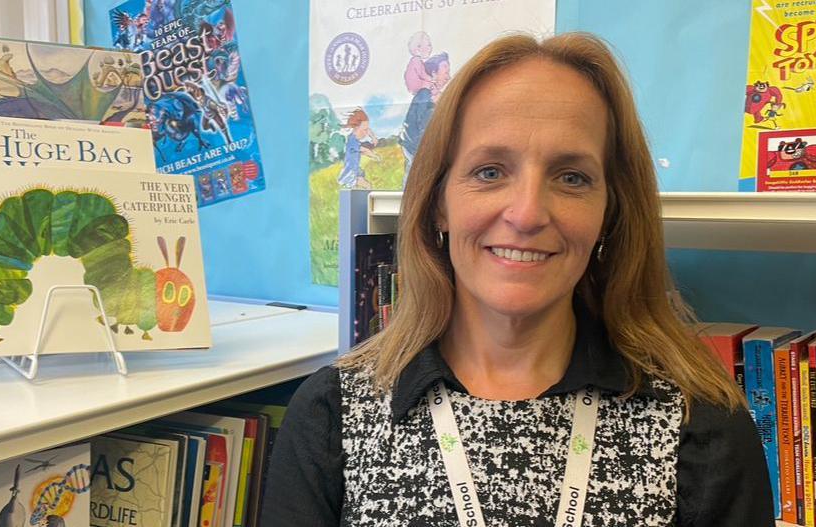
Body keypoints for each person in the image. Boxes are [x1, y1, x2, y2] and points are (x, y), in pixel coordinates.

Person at [262, 32, 772, 526]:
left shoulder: (700, 429)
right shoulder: (332, 416)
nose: (527, 214)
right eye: (489, 171)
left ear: (609, 211)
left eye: (571, 177)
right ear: (438, 201)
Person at [401, 52, 450, 183]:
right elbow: (425, 129)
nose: (448, 77)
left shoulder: (432, 96)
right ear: (433, 73)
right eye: (445, 72)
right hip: (417, 152)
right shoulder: (425, 96)